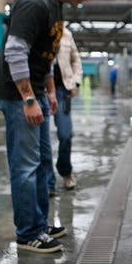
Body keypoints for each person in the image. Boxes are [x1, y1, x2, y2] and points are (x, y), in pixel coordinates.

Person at [0, 0, 99, 253]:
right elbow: (15, 52)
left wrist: (49, 92)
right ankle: (28, 233)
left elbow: (46, 55)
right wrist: (28, 98)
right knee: (25, 165)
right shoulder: (34, 4)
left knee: (41, 162)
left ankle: (39, 223)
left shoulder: (56, 8)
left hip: (36, 92)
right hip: (17, 95)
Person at [49, 26, 82, 191]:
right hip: (41, 89)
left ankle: (65, 170)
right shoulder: (37, 27)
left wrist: (76, 82)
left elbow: (75, 59)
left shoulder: (66, 33)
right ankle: (47, 182)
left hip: (62, 90)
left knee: (65, 134)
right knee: (40, 140)